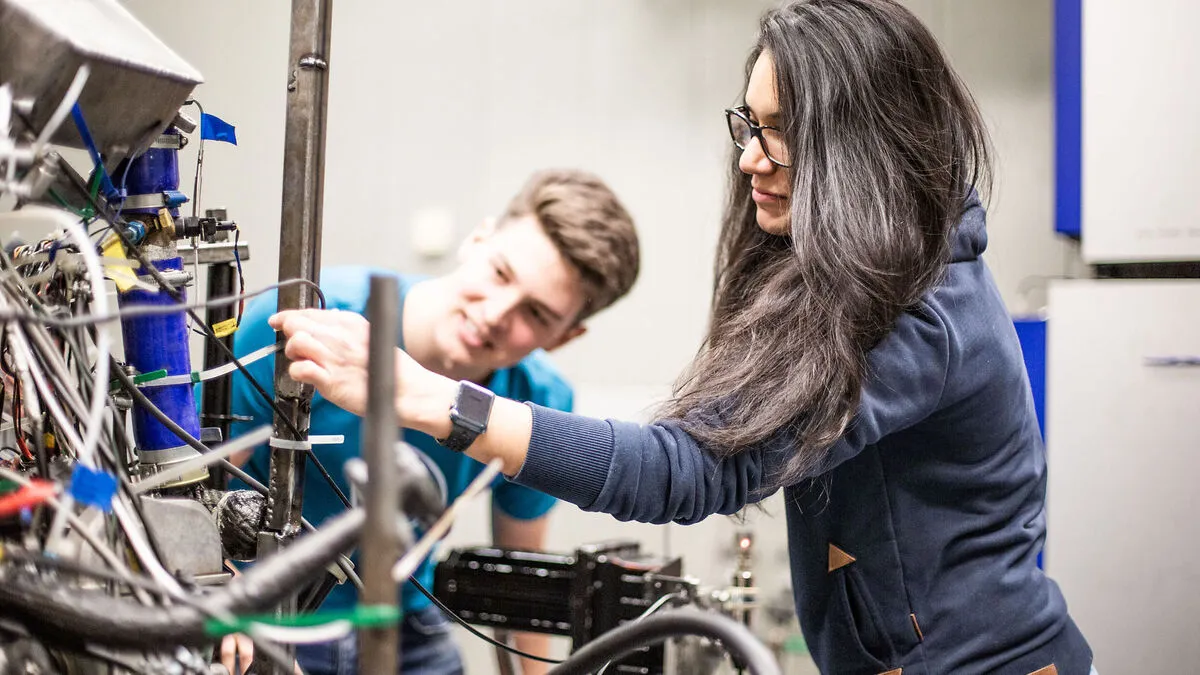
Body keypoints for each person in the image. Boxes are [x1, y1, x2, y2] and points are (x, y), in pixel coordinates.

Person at [269, 1, 1097, 673]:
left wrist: (428, 396)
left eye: (783, 133)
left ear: (862, 147)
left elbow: (693, 464)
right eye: (751, 123)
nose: (750, 160)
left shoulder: (922, 309)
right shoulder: (854, 278)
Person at [222, 168, 640, 675]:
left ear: (564, 337)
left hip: (406, 621)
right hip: (267, 615)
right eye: (501, 273)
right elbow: (200, 507)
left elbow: (519, 588)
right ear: (478, 238)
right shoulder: (310, 323)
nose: (494, 315)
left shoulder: (538, 402)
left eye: (535, 313)